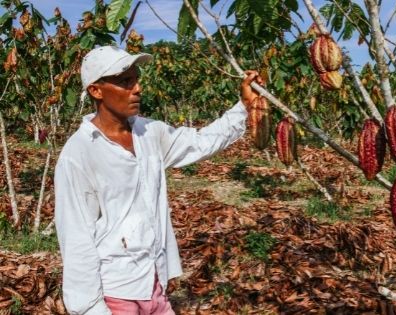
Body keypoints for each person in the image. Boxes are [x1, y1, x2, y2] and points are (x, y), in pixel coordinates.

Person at [54, 46, 263, 314]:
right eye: (125, 82)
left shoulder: (149, 132)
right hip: (114, 292)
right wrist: (90, 307)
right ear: (96, 90)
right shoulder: (80, 152)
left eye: (137, 78)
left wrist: (244, 106)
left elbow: (200, 142)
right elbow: (76, 236)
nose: (137, 88)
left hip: (154, 282)